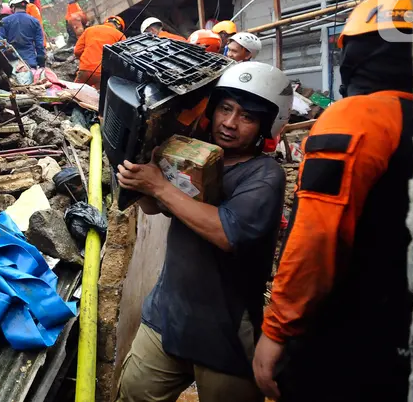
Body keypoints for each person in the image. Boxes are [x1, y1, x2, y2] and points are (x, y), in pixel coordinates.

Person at [253, 0, 413, 402]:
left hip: (352, 339)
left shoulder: (359, 118)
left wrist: (276, 329)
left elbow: (317, 238)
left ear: (357, 51)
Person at [115, 61, 291, 402]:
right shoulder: (194, 153)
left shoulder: (264, 175)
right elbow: (156, 208)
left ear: (267, 125)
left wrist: (161, 187)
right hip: (166, 316)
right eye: (225, 108)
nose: (229, 123)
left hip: (224, 332)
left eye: (247, 116)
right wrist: (140, 182)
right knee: (132, 395)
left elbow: (229, 233)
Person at [73, 15, 125, 90]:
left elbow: (77, 51)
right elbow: (122, 59)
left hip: (85, 69)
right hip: (104, 74)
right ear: (119, 26)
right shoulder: (120, 35)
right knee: (99, 98)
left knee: (74, 93)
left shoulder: (89, 30)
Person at [0, 0, 46, 68]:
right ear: (26, 6)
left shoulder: (5, 21)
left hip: (11, 65)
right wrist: (41, 62)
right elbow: (39, 45)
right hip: (30, 63)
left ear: (13, 6)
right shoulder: (35, 22)